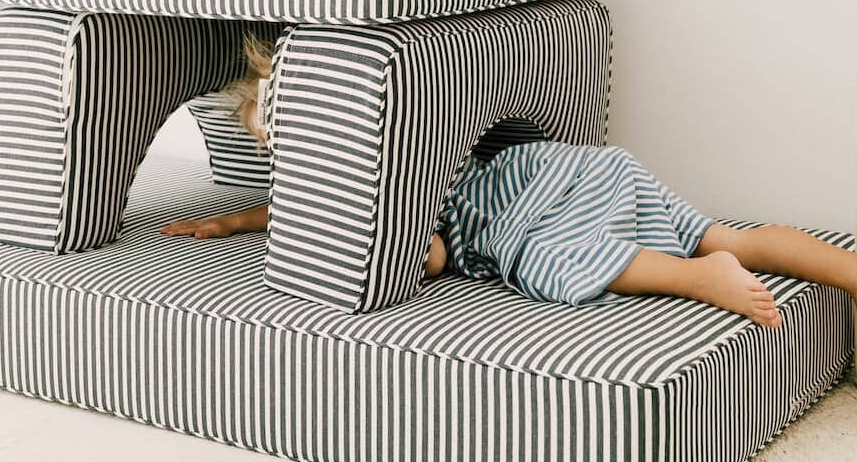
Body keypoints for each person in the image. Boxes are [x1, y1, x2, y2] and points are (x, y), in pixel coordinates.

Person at [160, 37, 857, 326]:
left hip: (530, 208)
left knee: (546, 263)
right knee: (728, 233)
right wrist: (231, 222)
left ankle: (701, 278)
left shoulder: (398, 196)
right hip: (582, 167)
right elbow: (287, 208)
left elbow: (426, 256)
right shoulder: (422, 137)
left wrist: (413, 255)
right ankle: (845, 270)